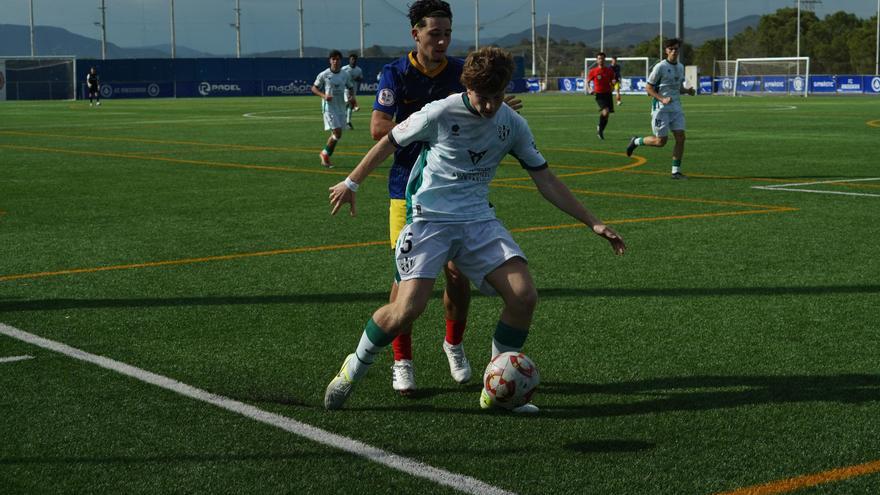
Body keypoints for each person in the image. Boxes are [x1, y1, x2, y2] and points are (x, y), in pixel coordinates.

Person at [324, 46, 626, 413]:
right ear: (468, 88)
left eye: (497, 98)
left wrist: (593, 221)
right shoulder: (439, 111)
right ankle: (353, 367)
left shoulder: (511, 123)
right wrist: (351, 183)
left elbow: (544, 179)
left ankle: (497, 390)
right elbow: (388, 141)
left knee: (523, 295)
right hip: (429, 218)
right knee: (406, 309)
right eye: (483, 98)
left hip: (478, 220)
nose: (489, 107)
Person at [626, 38, 695, 180]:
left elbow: (678, 87)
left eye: (676, 49)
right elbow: (648, 88)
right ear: (666, 51)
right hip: (661, 108)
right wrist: (662, 99)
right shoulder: (660, 67)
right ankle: (636, 141)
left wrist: (687, 91)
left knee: (681, 137)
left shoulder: (681, 67)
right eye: (671, 49)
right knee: (660, 142)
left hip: (676, 107)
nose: (674, 51)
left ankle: (676, 171)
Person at [312, 50, 357, 169]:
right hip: (329, 108)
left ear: (340, 61)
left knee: (338, 135)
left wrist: (352, 97)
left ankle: (325, 154)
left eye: (337, 59)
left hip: (341, 107)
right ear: (330, 60)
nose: (335, 61)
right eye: (333, 59)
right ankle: (325, 155)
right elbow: (314, 88)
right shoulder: (324, 74)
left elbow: (350, 87)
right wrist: (324, 96)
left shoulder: (345, 74)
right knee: (337, 132)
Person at [586, 52, 617, 140]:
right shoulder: (593, 71)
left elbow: (613, 81)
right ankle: (600, 129)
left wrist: (613, 84)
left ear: (605, 59)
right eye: (599, 58)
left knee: (607, 115)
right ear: (596, 60)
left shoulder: (609, 71)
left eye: (602, 58)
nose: (601, 60)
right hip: (599, 94)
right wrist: (589, 89)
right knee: (605, 111)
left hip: (608, 94)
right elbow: (587, 82)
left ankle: (600, 129)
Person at [342, 53, 363, 130]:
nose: (353, 61)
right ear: (349, 60)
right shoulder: (344, 69)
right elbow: (340, 77)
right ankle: (347, 122)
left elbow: (361, 79)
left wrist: (357, 79)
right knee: (349, 103)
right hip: (345, 89)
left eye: (354, 59)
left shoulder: (358, 70)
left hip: (354, 89)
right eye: (352, 59)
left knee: (348, 105)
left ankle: (346, 122)